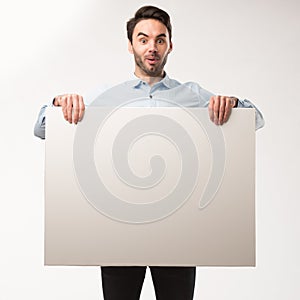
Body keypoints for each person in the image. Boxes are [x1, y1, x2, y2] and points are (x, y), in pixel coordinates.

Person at [34, 5, 264, 300]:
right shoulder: (105, 97)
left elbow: (253, 120)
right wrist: (58, 102)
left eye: (160, 39)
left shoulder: (192, 95)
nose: (152, 47)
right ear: (131, 46)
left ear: (170, 45)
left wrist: (233, 103)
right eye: (143, 39)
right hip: (117, 233)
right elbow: (42, 127)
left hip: (178, 233)